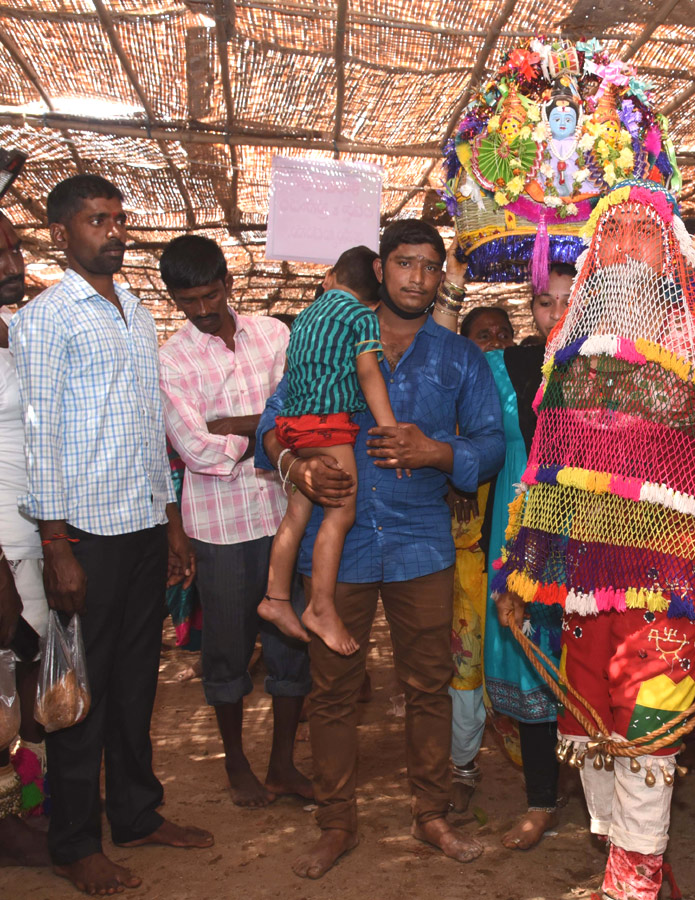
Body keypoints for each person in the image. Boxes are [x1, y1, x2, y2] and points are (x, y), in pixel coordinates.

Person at [494, 181, 695, 900]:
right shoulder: (570, 347)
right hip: (580, 594)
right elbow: (546, 479)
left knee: (647, 745)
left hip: (669, 595)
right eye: (615, 234)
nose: (628, 248)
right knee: (597, 745)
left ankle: (628, 887)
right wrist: (514, 576)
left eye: (645, 234)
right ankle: (642, 877)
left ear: (671, 254)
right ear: (597, 252)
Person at [254, 218, 504, 877]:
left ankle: (431, 815)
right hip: (341, 552)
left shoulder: (460, 359)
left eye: (429, 266)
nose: (417, 278)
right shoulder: (331, 331)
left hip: (423, 545)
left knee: (429, 685)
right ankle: (335, 823)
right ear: (381, 268)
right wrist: (295, 469)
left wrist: (437, 451)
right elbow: (269, 424)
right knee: (333, 693)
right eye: (405, 264)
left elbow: (490, 444)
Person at [10, 174, 212, 894]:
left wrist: (172, 523)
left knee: (135, 685)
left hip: (141, 526)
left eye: (120, 219)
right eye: (99, 220)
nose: (115, 231)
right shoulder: (46, 319)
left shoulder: (132, 309)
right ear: (63, 233)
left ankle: (136, 813)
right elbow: (43, 438)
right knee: (80, 695)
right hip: (84, 537)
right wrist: (57, 545)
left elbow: (144, 428)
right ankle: (73, 842)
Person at [157, 234, 313, 808]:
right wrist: (268, 428)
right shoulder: (170, 358)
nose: (200, 311)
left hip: (284, 517)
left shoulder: (274, 334)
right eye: (187, 301)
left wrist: (234, 423)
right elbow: (196, 451)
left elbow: (301, 412)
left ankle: (281, 764)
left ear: (227, 281)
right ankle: (236, 765)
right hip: (220, 530)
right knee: (225, 650)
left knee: (291, 646)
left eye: (207, 295)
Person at [256, 245, 402, 657]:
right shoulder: (361, 317)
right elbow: (369, 372)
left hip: (294, 427)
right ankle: (320, 608)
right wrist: (388, 428)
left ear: (330, 278)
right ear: (375, 298)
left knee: (298, 513)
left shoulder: (304, 317)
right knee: (340, 514)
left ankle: (276, 597)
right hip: (329, 424)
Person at [482, 262, 575, 850]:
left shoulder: (616, 362)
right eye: (544, 302)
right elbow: (439, 358)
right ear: (529, 307)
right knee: (534, 655)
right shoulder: (506, 367)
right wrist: (453, 281)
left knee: (590, 657)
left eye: (570, 299)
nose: (557, 313)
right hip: (520, 532)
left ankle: (608, 800)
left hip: (592, 534)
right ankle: (542, 799)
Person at [446, 304, 516, 813]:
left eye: (503, 333)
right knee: (464, 663)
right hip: (462, 557)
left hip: (511, 554)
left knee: (519, 655)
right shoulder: (452, 396)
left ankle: (536, 759)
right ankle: (462, 767)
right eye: (483, 335)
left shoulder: (524, 394)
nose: (495, 341)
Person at [0, 208, 49, 868]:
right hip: (2, 543)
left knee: (19, 682)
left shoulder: (10, 331)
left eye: (14, 248)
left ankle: (18, 804)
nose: (14, 264)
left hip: (29, 528)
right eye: (0, 252)